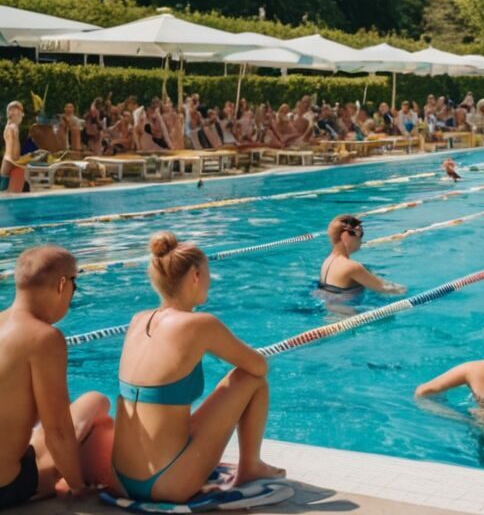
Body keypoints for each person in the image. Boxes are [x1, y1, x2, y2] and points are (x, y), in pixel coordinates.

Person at [111, 233, 284, 503]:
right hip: (168, 483)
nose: (210, 281)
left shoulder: (138, 320)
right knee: (250, 378)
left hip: (121, 478)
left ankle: (247, 465)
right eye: (208, 273)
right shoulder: (201, 325)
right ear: (195, 276)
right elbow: (258, 366)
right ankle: (250, 466)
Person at [0, 246, 113, 509]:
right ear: (62, 285)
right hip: (6, 487)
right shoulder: (44, 338)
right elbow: (58, 431)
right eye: (76, 287)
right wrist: (77, 487)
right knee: (97, 401)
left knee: (91, 402)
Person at [316, 215, 406, 296]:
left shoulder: (327, 262)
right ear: (345, 236)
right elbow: (386, 289)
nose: (361, 240)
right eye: (360, 234)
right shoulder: (351, 267)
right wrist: (405, 289)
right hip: (346, 313)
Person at [2, 101, 23, 193]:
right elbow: (10, 145)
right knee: (6, 192)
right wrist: (12, 161)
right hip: (9, 162)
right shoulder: (11, 127)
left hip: (11, 162)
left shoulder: (13, 126)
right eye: (13, 110)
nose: (16, 112)